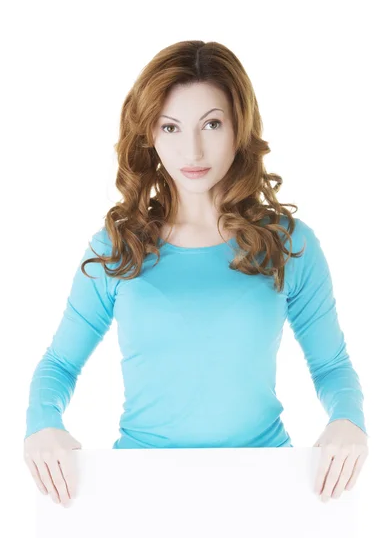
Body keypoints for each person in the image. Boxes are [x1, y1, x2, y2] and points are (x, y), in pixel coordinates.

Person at [23, 40, 368, 508]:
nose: (193, 149)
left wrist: (347, 420)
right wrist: (44, 426)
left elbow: (331, 367)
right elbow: (59, 365)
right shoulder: (119, 246)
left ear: (238, 127)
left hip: (266, 488)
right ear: (150, 135)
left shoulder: (288, 243)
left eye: (211, 123)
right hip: (140, 490)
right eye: (171, 127)